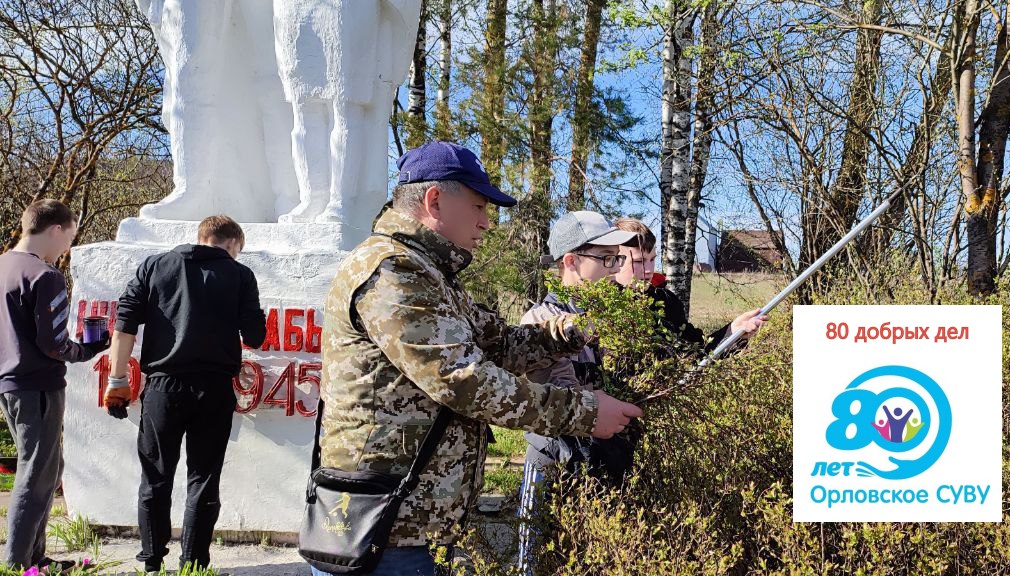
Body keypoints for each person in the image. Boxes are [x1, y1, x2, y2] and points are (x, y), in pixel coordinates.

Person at [313, 141, 641, 576]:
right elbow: (462, 379)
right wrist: (585, 413)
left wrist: (573, 332)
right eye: (479, 207)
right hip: (383, 523)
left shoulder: (433, 275)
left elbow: (500, 345)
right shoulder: (392, 272)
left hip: (416, 520)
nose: (488, 223)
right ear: (434, 200)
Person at [106, 215, 266, 572]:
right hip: (213, 389)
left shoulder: (154, 266)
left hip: (162, 387)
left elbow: (124, 324)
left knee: (155, 476)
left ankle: (151, 561)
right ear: (232, 243)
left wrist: (117, 382)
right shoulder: (239, 275)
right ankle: (193, 563)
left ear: (201, 236)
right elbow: (255, 336)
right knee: (204, 478)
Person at [515, 210, 636, 573]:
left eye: (618, 259)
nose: (616, 268)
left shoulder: (617, 318)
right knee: (537, 561)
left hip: (608, 461)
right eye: (606, 259)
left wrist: (729, 336)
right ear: (570, 261)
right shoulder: (538, 324)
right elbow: (555, 398)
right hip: (555, 462)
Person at [0, 199, 110, 572]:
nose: (68, 247)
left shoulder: (2, 267)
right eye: (70, 236)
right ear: (56, 229)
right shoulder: (44, 276)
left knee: (47, 466)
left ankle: (35, 559)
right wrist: (90, 349)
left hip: (8, 383)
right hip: (38, 385)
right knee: (36, 473)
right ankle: (18, 564)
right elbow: (55, 344)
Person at [611, 218, 766, 352]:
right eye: (639, 261)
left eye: (652, 260)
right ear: (612, 261)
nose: (649, 270)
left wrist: (733, 332)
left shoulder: (666, 301)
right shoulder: (597, 307)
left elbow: (698, 349)